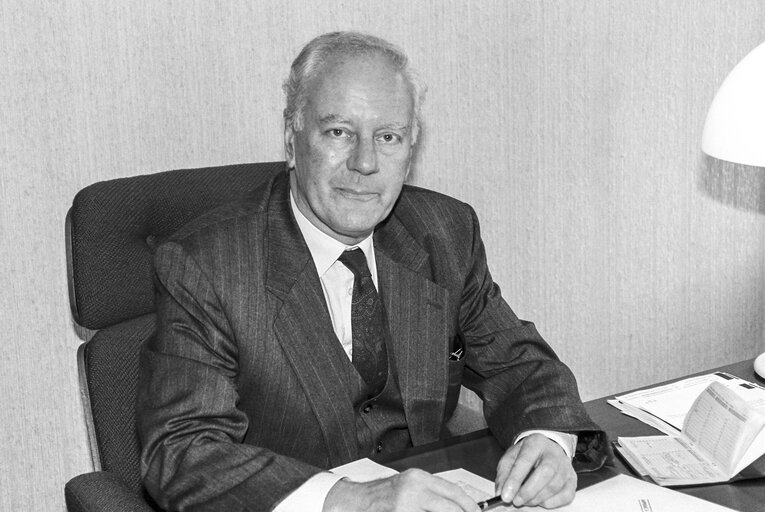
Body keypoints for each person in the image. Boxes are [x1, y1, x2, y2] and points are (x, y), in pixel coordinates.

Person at [137, 31, 608, 512]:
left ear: (411, 147)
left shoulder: (443, 231)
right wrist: (349, 500)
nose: (365, 163)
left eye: (388, 137)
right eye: (339, 132)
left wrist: (547, 440)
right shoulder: (207, 264)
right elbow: (182, 451)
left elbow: (517, 363)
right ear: (291, 137)